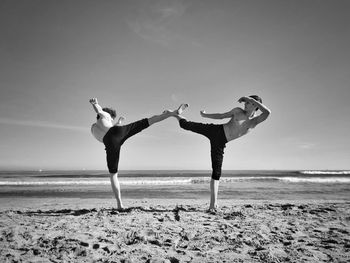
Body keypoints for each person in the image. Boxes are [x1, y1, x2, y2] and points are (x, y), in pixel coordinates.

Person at [172, 95, 271, 211]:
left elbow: (268, 112)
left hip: (221, 143)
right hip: (215, 131)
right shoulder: (238, 111)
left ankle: (212, 205)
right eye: (246, 102)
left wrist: (251, 99)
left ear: (255, 105)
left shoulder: (255, 121)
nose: (245, 104)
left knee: (216, 173)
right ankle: (175, 114)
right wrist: (204, 115)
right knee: (185, 125)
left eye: (248, 102)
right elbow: (221, 116)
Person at [89, 98, 188, 210]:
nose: (112, 120)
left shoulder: (93, 129)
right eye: (112, 119)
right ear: (110, 115)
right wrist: (95, 104)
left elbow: (107, 134)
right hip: (117, 133)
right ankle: (172, 114)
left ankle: (119, 204)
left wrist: (118, 123)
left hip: (110, 144)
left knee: (113, 175)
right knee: (148, 121)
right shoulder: (105, 115)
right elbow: (99, 111)